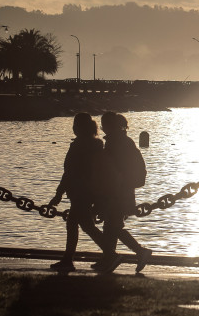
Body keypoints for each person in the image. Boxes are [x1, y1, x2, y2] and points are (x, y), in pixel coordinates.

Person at [94, 111, 153, 274]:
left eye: (105, 124)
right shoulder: (123, 141)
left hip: (117, 192)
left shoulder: (115, 143)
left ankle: (139, 251)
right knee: (112, 225)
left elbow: (112, 171)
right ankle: (108, 258)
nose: (103, 127)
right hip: (123, 190)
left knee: (113, 226)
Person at [49, 113, 106, 273]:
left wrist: (59, 194)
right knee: (83, 225)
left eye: (75, 125)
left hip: (79, 191)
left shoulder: (78, 146)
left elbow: (69, 172)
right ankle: (69, 259)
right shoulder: (96, 145)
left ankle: (109, 253)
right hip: (89, 191)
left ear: (78, 127)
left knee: (79, 225)